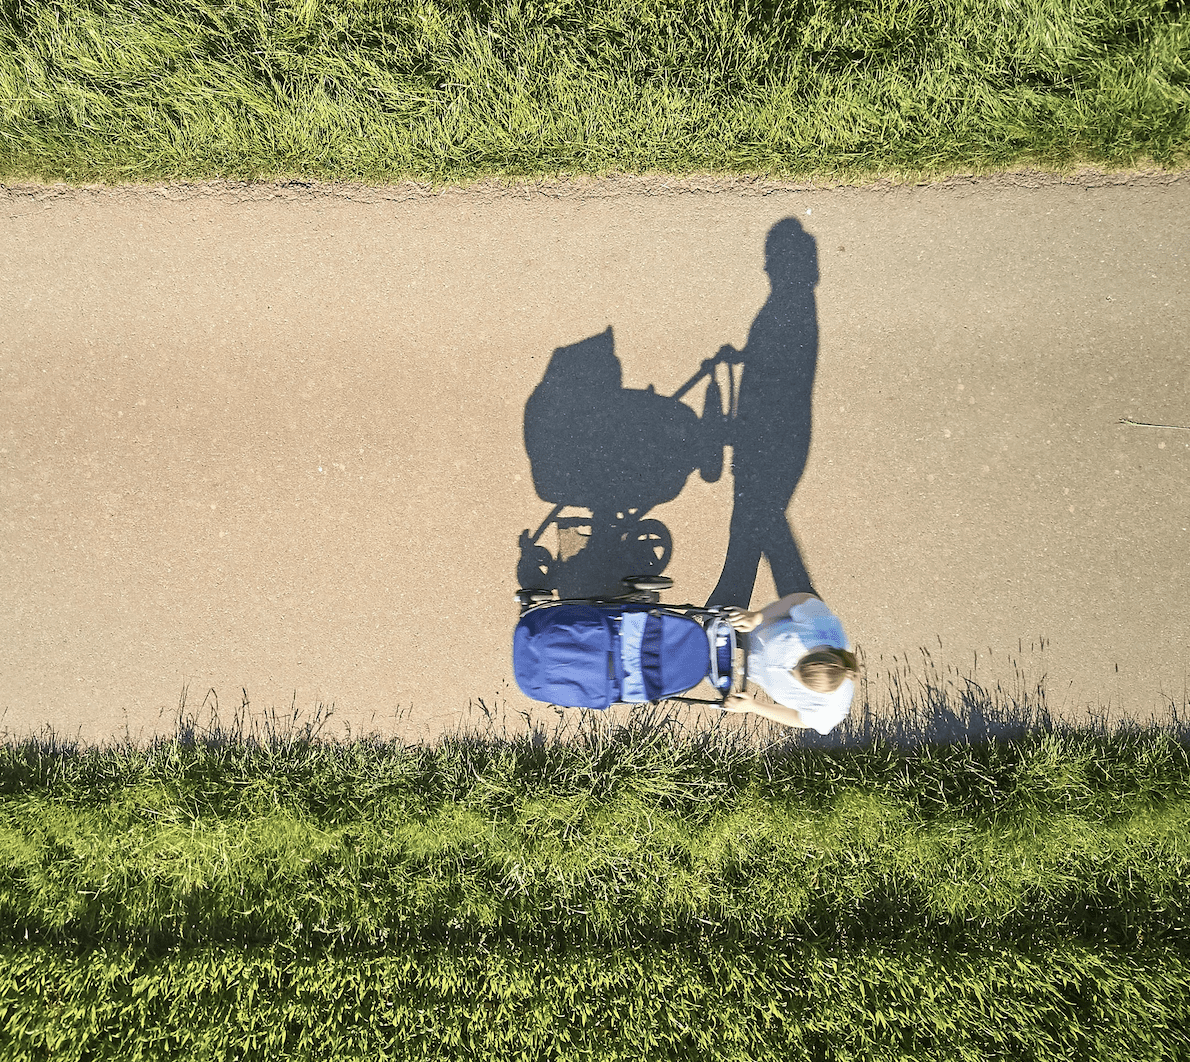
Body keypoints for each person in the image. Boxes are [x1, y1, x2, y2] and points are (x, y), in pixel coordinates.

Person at [721, 592, 858, 734]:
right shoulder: (824, 629)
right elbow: (799, 600)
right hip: (760, 629)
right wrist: (757, 617)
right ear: (819, 652)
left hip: (757, 668)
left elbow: (800, 719)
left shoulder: (832, 710)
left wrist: (753, 706)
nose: (790, 669)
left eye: (796, 677)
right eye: (797, 664)